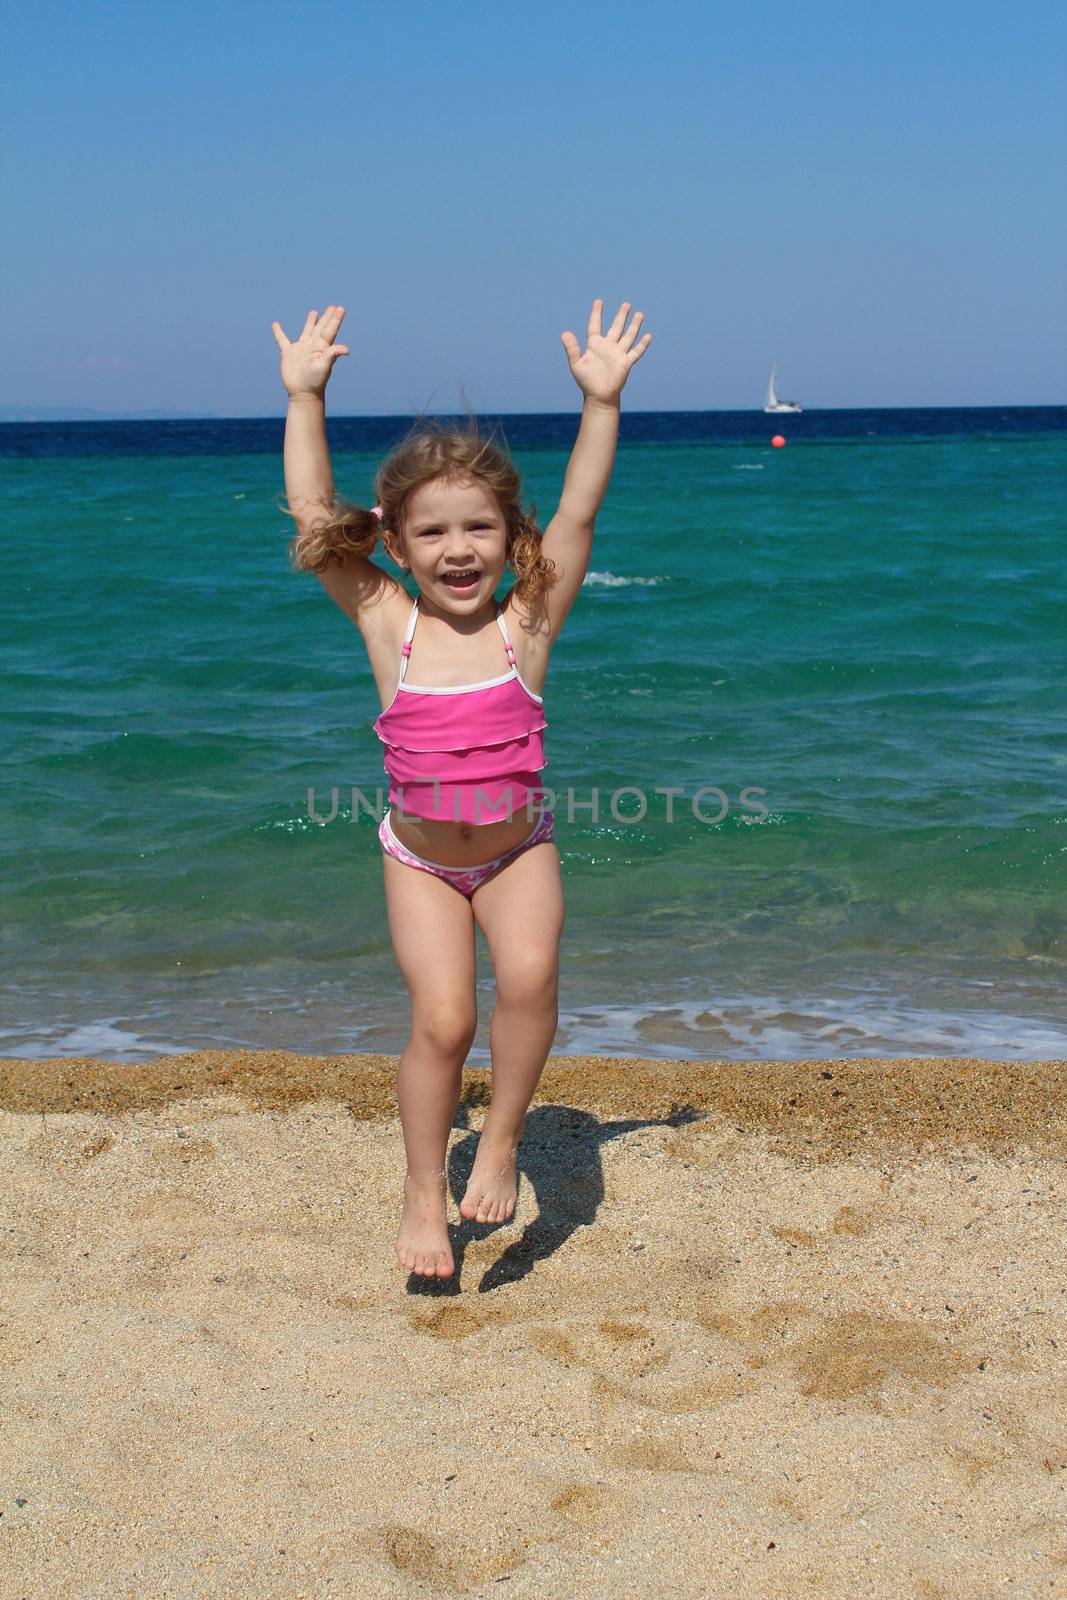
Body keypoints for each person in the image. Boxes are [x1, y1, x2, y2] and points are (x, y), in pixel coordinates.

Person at [271, 298, 652, 1279]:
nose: (457, 548)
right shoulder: (384, 621)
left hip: (518, 848)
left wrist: (599, 404)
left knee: (527, 982)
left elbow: (578, 511)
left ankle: (500, 1137)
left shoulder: (524, 624)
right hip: (421, 861)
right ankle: (417, 1190)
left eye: (478, 526)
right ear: (394, 543)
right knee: (442, 1020)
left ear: (505, 531)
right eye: (432, 530)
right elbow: (317, 520)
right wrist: (305, 397)